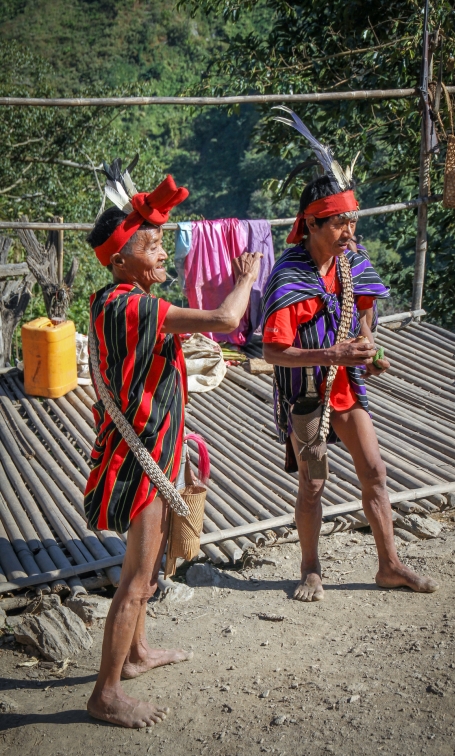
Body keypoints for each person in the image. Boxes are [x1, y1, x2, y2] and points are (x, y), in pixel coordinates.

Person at [84, 163, 262, 728]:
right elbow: (227, 317)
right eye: (153, 246)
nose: (163, 255)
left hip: (145, 446)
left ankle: (134, 655)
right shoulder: (134, 306)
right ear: (120, 260)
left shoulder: (112, 300)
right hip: (139, 458)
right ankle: (105, 693)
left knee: (147, 568)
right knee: (138, 577)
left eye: (163, 244)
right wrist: (247, 275)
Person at [262, 108, 438, 602]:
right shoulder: (289, 277)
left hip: (345, 387)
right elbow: (275, 351)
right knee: (314, 484)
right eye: (339, 224)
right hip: (306, 396)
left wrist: (369, 352)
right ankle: (311, 568)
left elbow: (360, 316)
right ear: (312, 225)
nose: (349, 231)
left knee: (375, 471)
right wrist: (330, 350)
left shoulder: (352, 261)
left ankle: (390, 564)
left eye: (351, 221)